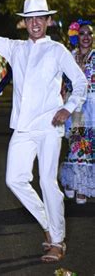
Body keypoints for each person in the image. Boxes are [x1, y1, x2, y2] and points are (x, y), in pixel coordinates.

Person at [0, 0, 87, 262]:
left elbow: (80, 82)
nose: (35, 23)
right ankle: (49, 226)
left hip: (50, 125)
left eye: (40, 18)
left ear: (48, 21)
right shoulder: (15, 48)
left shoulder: (57, 50)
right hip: (23, 128)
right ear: (24, 23)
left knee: (47, 182)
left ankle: (57, 241)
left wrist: (68, 107)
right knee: (14, 179)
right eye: (30, 19)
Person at [60, 20, 94, 204]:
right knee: (78, 146)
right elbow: (64, 83)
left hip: (93, 108)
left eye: (89, 33)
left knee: (88, 149)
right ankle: (72, 183)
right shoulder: (69, 56)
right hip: (76, 108)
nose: (86, 37)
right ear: (76, 36)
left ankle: (81, 186)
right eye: (82, 33)